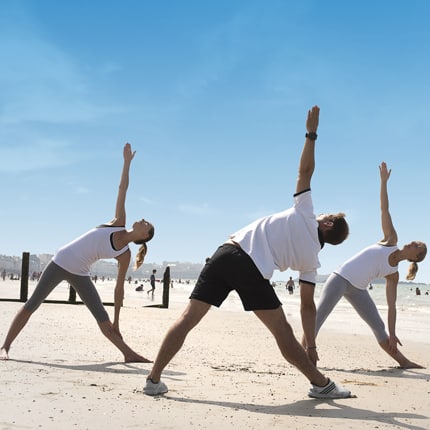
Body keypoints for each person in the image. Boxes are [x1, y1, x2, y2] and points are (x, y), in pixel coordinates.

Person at [144, 106, 351, 399]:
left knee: (187, 318)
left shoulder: (305, 213)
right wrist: (311, 345)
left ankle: (153, 380)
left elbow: (304, 170)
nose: (322, 214)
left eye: (327, 215)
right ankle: (321, 384)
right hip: (250, 267)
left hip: (224, 253)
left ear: (328, 223)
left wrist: (311, 134)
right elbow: (307, 306)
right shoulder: (312, 261)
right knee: (282, 331)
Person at [0, 143, 155, 363]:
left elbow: (119, 289)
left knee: (102, 317)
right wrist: (126, 163)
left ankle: (128, 354)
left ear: (143, 236)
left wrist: (118, 321)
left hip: (81, 273)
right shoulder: (118, 222)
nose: (143, 220)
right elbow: (122, 189)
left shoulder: (125, 254)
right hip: (61, 261)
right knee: (32, 304)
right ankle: (5, 347)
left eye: (147, 225)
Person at [313, 162, 427, 369]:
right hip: (340, 278)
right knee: (319, 317)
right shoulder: (390, 239)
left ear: (415, 258)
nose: (414, 242)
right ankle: (306, 355)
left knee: (379, 327)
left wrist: (393, 334)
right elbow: (384, 209)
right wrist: (383, 183)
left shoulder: (393, 274)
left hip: (358, 290)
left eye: (417, 246)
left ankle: (403, 362)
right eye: (416, 241)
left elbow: (392, 307)